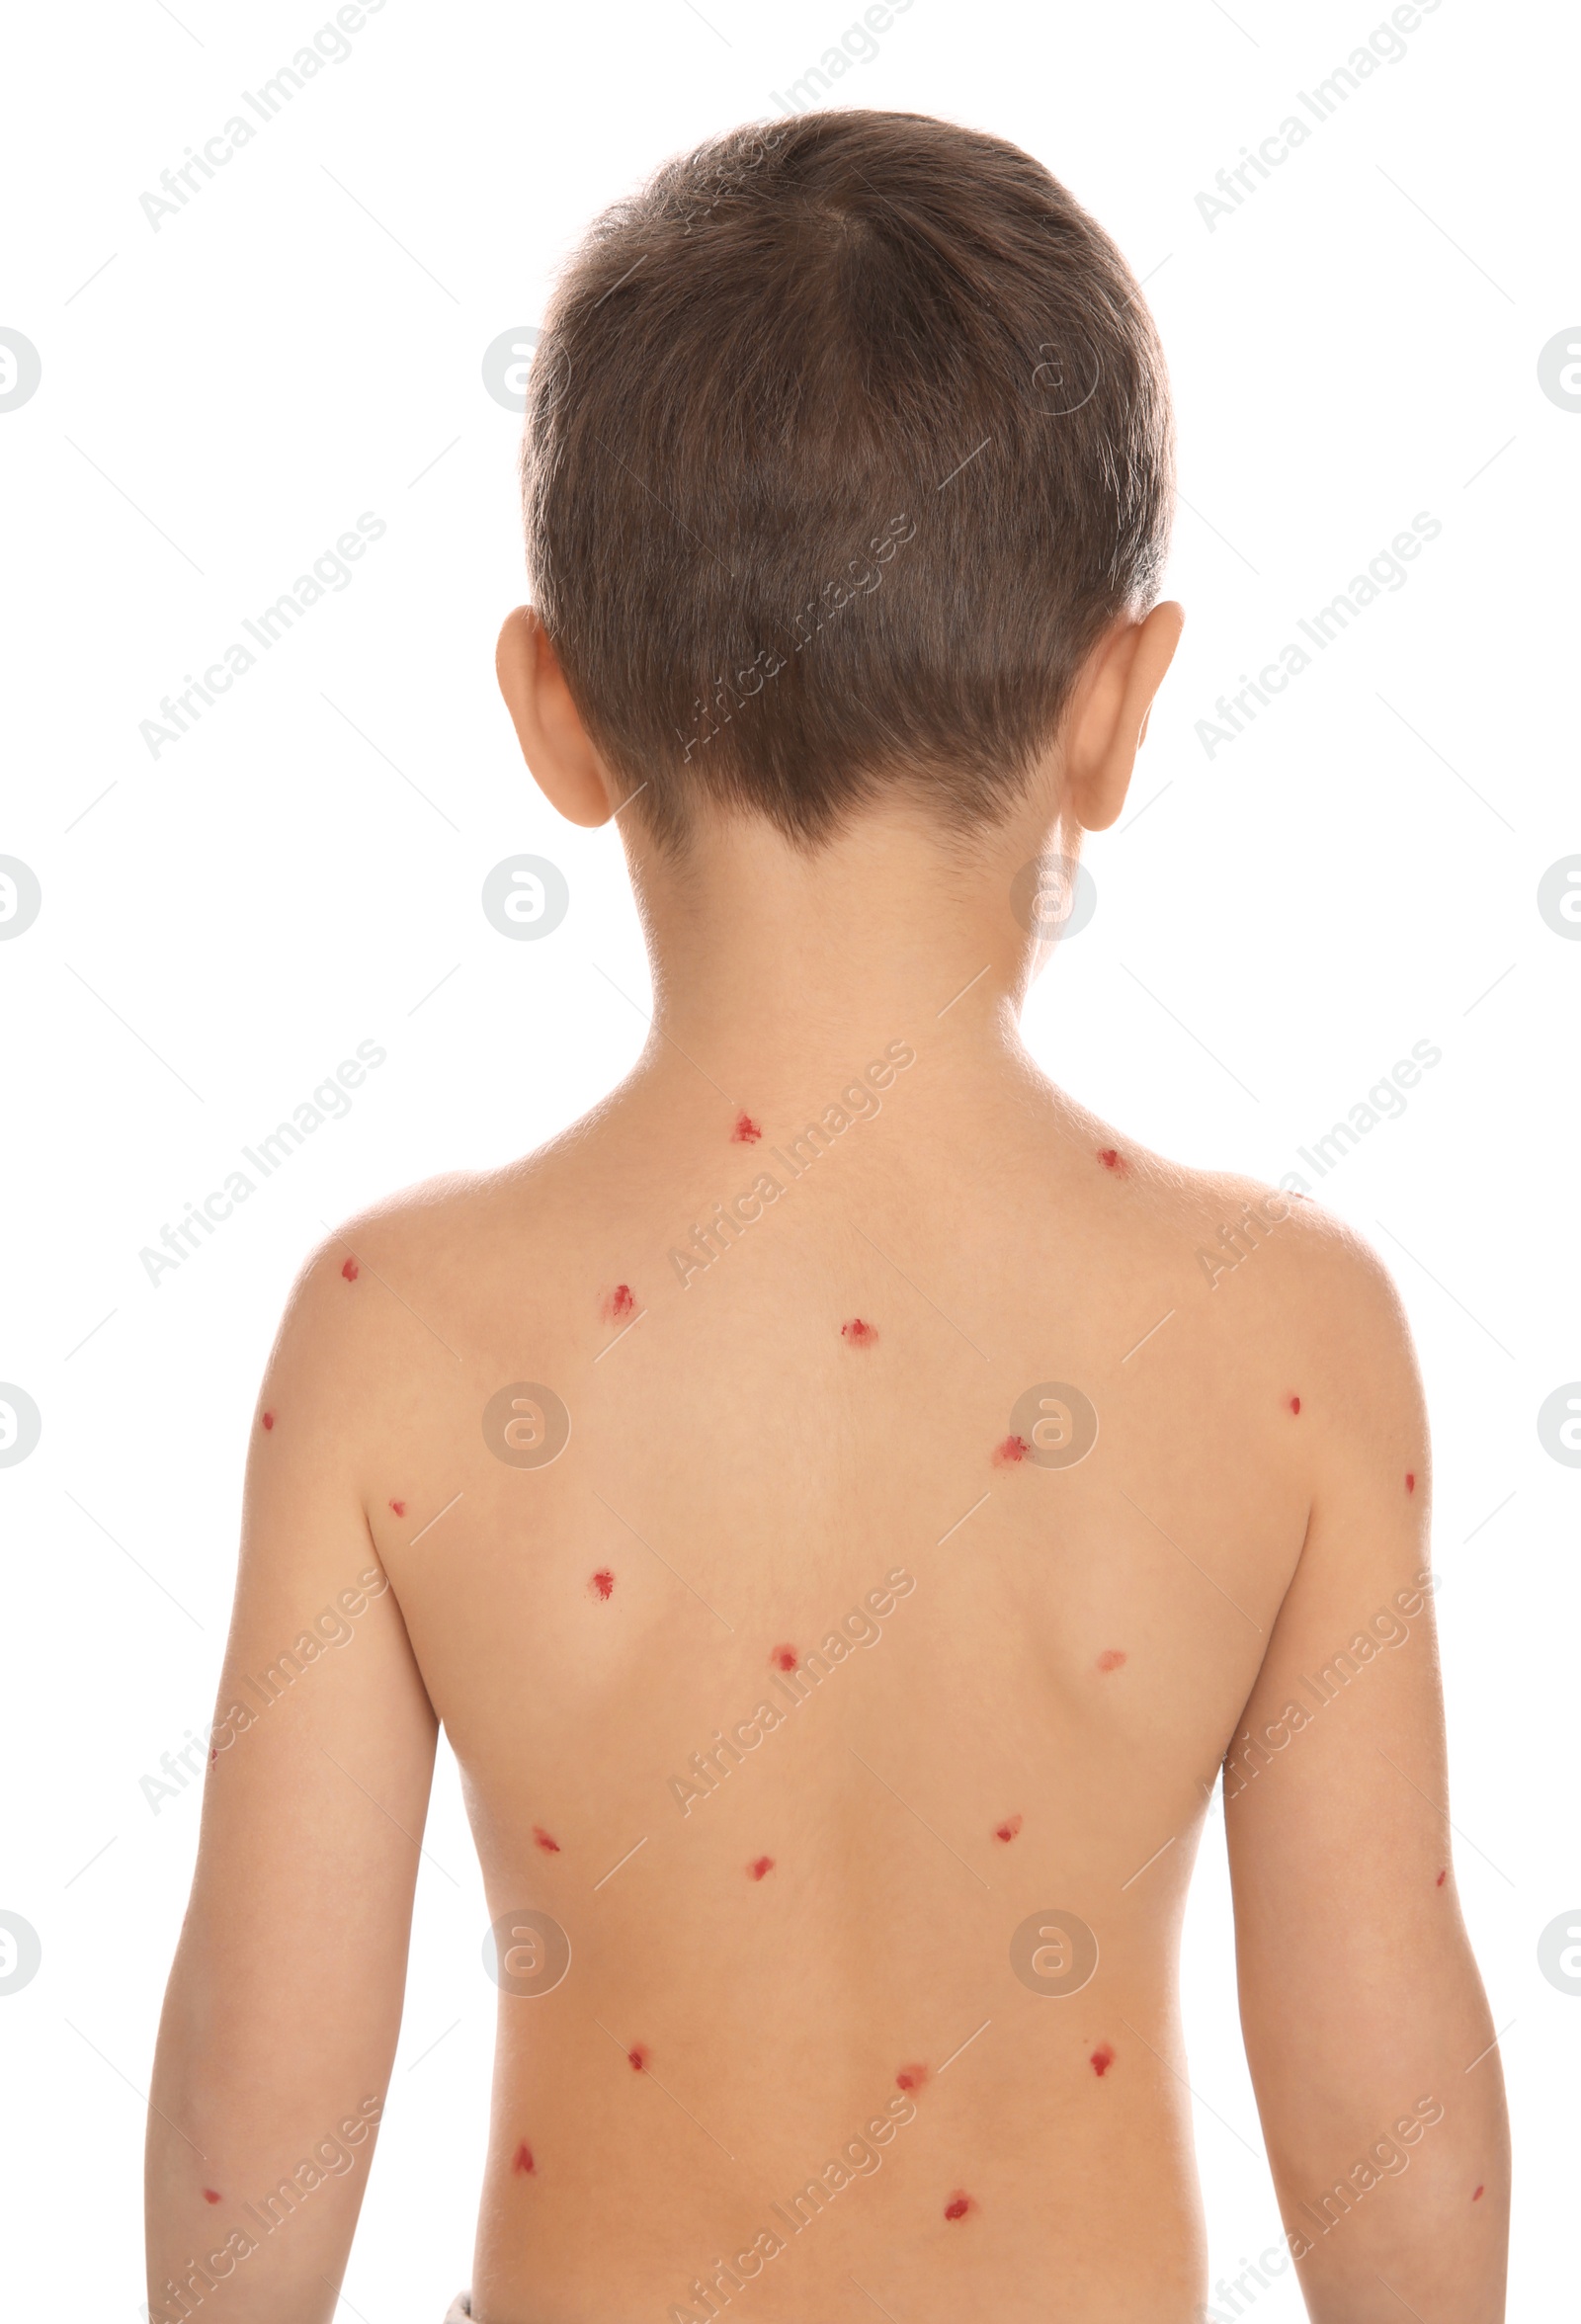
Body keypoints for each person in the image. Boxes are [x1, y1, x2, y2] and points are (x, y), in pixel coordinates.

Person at [145, 109, 1508, 2324]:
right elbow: (1386, 2120)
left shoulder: (399, 1336)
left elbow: (254, 2110)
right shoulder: (1278, 1339)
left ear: (552, 713)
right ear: (1115, 706)